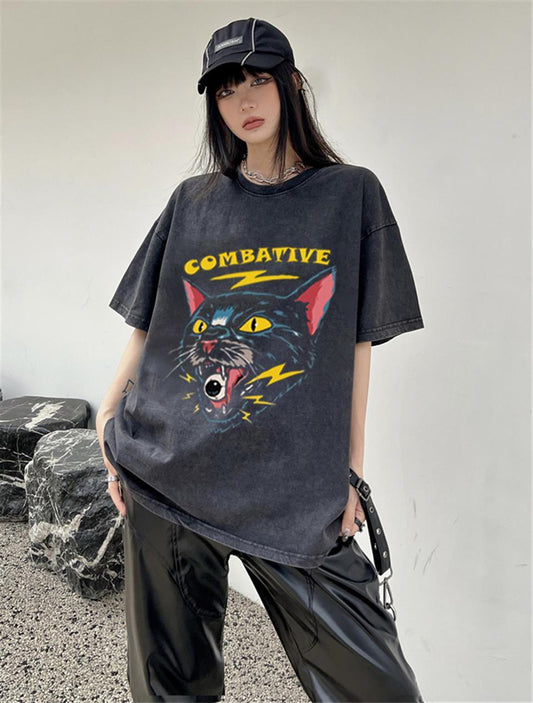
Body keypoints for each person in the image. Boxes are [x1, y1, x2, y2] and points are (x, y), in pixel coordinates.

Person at [96, 16, 425, 703]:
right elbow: (150, 324)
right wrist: (107, 420)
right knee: (169, 687)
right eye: (224, 90)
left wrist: (350, 471)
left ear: (291, 84)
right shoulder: (192, 202)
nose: (242, 101)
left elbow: (357, 343)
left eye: (256, 80)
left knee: (378, 690)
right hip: (168, 471)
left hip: (293, 489)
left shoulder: (350, 194)